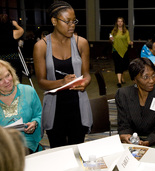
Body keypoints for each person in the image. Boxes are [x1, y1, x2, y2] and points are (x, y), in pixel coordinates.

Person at [33, 1, 92, 148]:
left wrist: (85, 82)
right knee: (57, 151)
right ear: (54, 21)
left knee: (77, 150)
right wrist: (62, 82)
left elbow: (86, 74)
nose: (72, 25)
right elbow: (41, 82)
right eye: (67, 21)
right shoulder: (41, 46)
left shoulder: (81, 43)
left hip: (78, 106)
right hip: (54, 109)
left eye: (74, 21)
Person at [116, 58, 155, 149]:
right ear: (134, 79)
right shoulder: (123, 94)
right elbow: (123, 125)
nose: (151, 80)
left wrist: (147, 142)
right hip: (131, 142)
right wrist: (125, 136)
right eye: (146, 77)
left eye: (153, 75)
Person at [0, 60, 42, 153]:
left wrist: (35, 123)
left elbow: (40, 115)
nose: (7, 81)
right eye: (0, 79)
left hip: (27, 143)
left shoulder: (28, 91)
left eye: (8, 75)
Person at [110, 17, 133, 88]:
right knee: (118, 65)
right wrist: (111, 40)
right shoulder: (113, 31)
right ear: (116, 23)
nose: (120, 23)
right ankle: (119, 82)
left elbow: (128, 40)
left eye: (121, 21)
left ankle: (122, 78)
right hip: (115, 50)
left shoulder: (126, 31)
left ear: (123, 23)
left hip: (124, 50)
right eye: (118, 21)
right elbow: (111, 40)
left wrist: (130, 43)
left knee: (123, 65)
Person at [0, 14, 24, 83]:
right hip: (13, 60)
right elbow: (22, 30)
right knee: (16, 80)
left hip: (1, 61)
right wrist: (16, 25)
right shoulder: (13, 33)